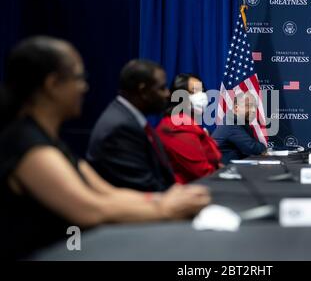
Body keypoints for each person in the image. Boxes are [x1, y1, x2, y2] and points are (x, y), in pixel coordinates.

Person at [0, 37, 210, 259]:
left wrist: (165, 198)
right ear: (52, 84)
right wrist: (165, 208)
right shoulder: (29, 146)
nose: (85, 87)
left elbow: (108, 193)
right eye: (79, 77)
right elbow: (90, 209)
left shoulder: (49, 141)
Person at [87, 60, 175, 192]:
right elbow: (144, 188)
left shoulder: (127, 118)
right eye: (161, 88)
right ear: (143, 91)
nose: (167, 94)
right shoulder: (121, 129)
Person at [156, 74, 222, 184]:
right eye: (193, 92)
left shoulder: (190, 123)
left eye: (202, 91)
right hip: (186, 191)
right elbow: (202, 172)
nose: (201, 96)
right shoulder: (177, 125)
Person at [212, 92, 267, 164]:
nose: (254, 110)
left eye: (255, 107)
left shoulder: (241, 122)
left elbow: (254, 145)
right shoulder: (231, 124)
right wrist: (262, 147)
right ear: (236, 108)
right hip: (224, 170)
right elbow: (253, 148)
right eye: (249, 106)